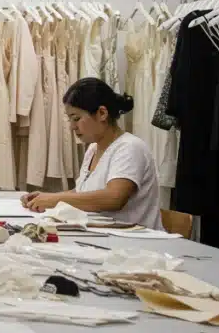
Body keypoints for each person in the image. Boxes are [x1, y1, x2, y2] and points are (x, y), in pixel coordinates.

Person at [22, 77, 162, 229]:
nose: (72, 127)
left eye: (76, 118)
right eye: (70, 120)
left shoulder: (130, 148)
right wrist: (45, 197)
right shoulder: (93, 149)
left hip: (138, 243)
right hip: (107, 236)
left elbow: (114, 198)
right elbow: (83, 192)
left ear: (102, 113)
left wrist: (55, 200)